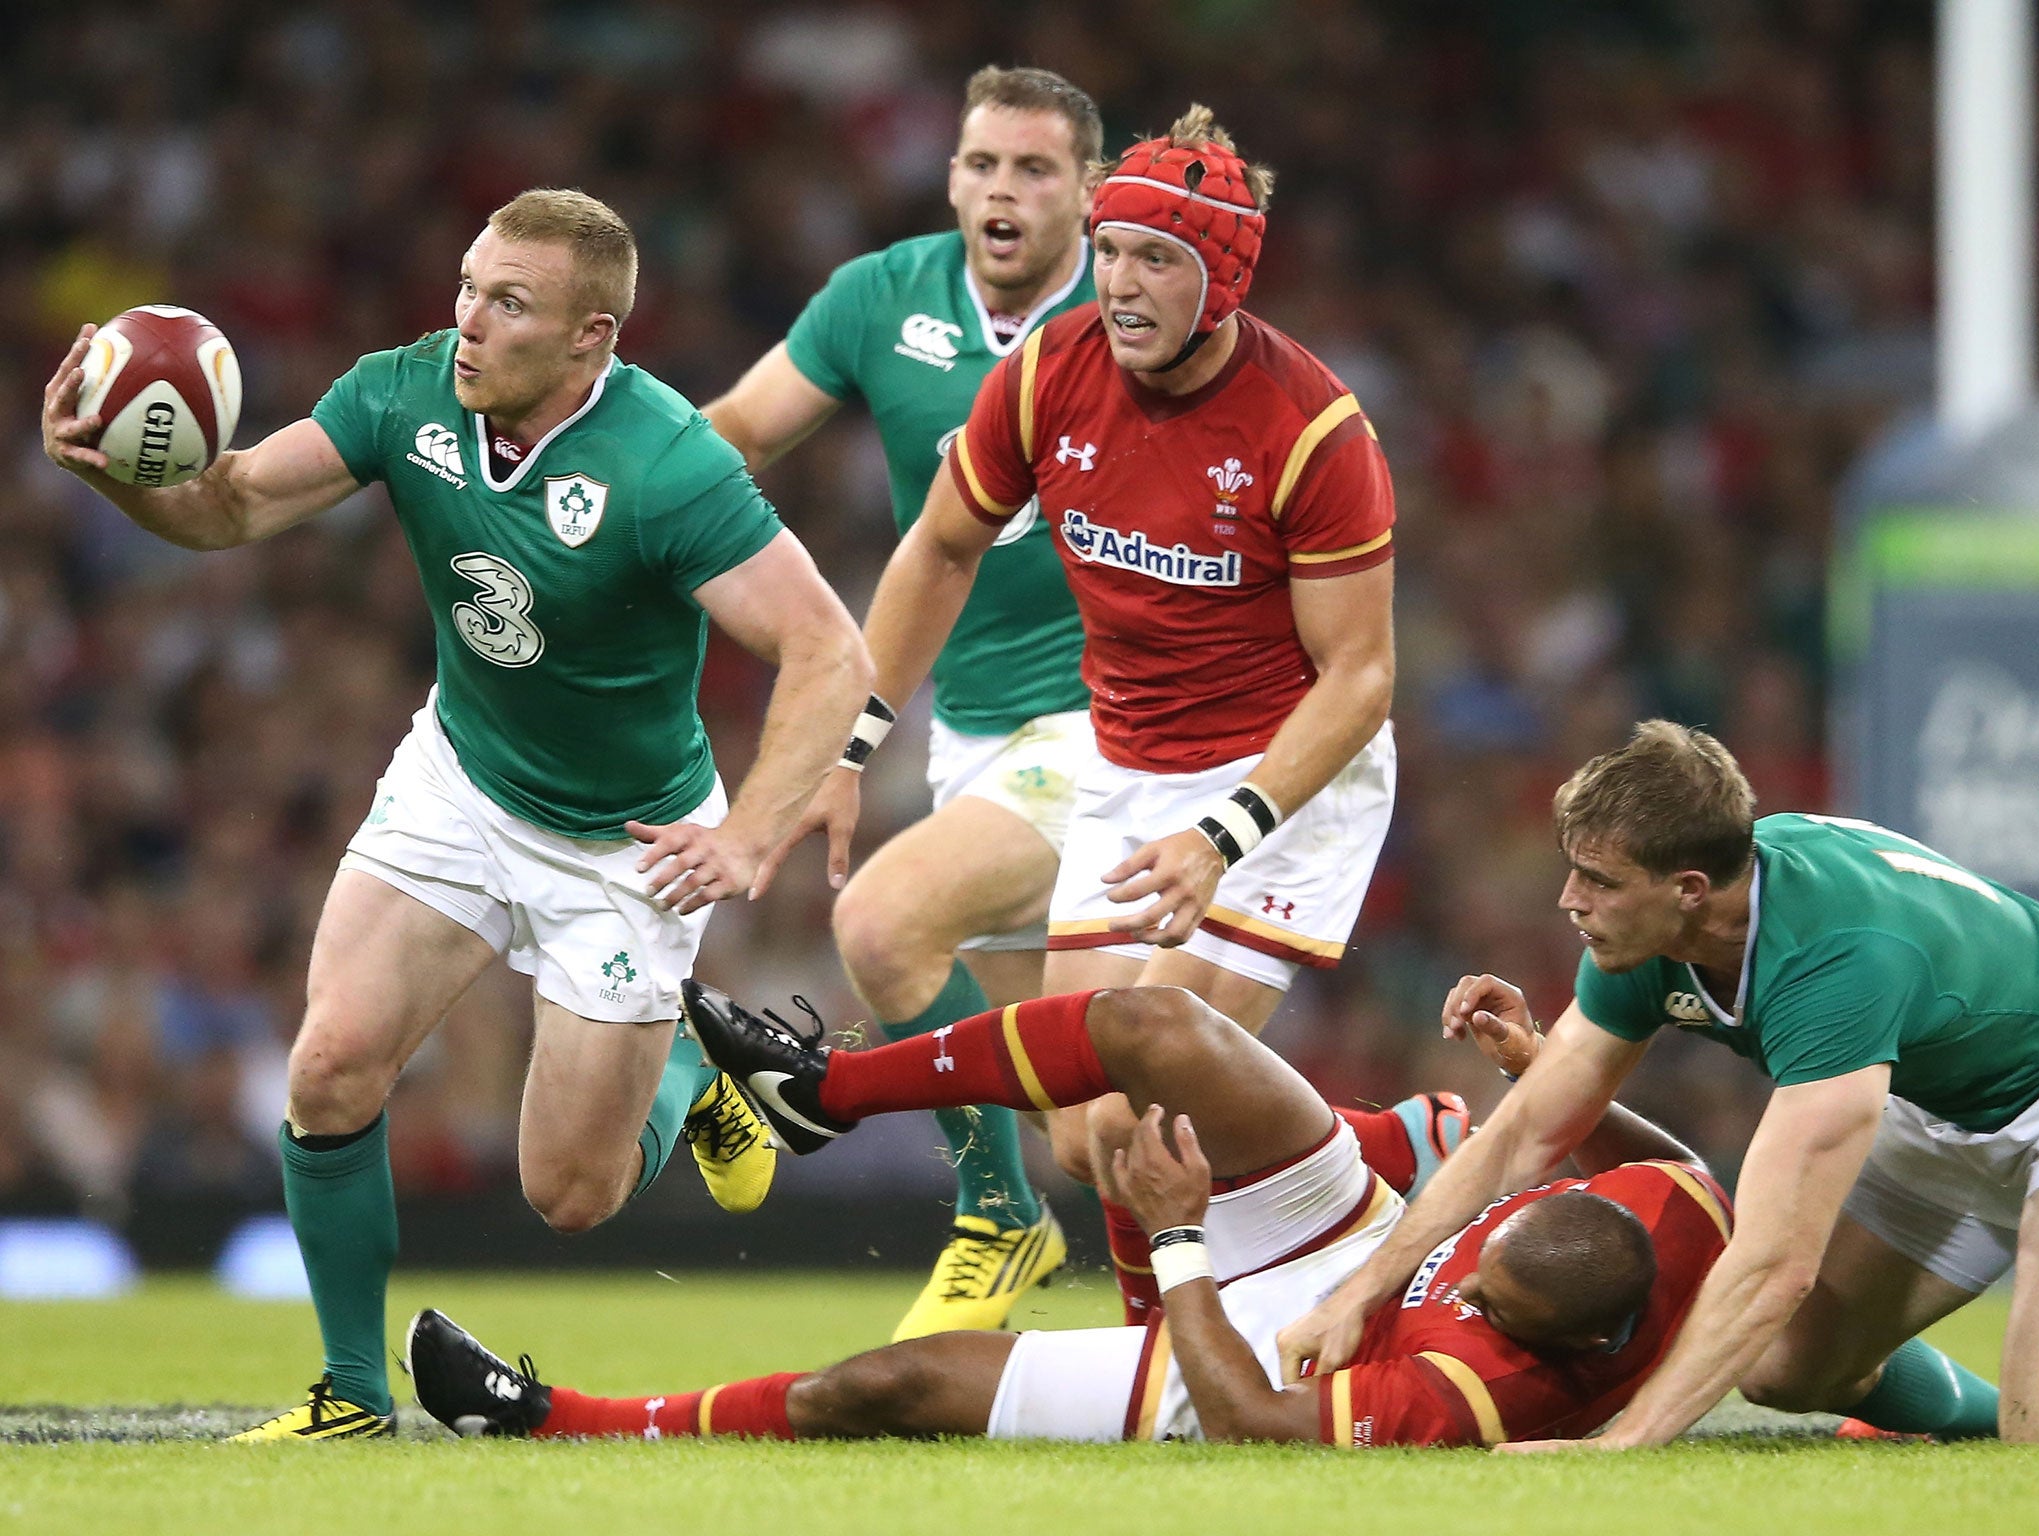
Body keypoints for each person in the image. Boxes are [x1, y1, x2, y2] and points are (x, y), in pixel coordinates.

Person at [39, 189, 872, 1440]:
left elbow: (827, 650)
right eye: (470, 285)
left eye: (509, 303)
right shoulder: (404, 391)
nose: (468, 321)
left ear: (593, 337)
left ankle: (694, 1071)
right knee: (326, 1068)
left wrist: (749, 834)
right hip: (463, 783)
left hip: (623, 845)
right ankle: (350, 1396)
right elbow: (233, 505)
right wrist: (111, 480)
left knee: (570, 1197)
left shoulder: (664, 465)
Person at [825, 102, 1424, 1321]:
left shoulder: (1311, 429)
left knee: (1136, 1092)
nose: (1122, 283)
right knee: (1082, 1134)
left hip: (1282, 779)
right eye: (1108, 249)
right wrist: (853, 738)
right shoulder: (1048, 372)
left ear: (1224, 279)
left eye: (1160, 259)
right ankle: (1399, 1152)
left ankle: (1188, 1339)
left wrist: (1225, 833)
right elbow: (940, 546)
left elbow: (1359, 677)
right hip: (1126, 762)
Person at [406, 981, 1727, 1448]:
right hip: (1368, 1230)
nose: (1474, 1274)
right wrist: (1539, 1078)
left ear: (1522, 1336)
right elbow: (1695, 1176)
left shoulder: (1463, 1399)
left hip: (1279, 1351)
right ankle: (826, 1091)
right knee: (1147, 1032)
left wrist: (1187, 1237)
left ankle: (547, 1417)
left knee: (881, 1385)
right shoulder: (1666, 1220)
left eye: (1482, 1291)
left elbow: (1258, 1421)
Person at [1281, 721, 2019, 1448]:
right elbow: (1520, 1136)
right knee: (1781, 1370)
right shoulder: (1658, 934)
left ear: (1689, 889)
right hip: (1937, 1104)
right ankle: (1985, 1418)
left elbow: (1774, 1262)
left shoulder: (1839, 966)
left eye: (1600, 881)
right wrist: (1356, 1297)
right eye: (1574, 870)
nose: (1570, 899)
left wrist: (1625, 1442)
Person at [703, 66, 1105, 1337]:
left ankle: (989, 1215)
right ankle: (1395, 1187)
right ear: (950, 179)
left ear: (1088, 195)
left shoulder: (1135, 303)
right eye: (983, 165)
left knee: (881, 931)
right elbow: (741, 430)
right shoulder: (879, 296)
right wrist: (601, 485)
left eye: (1034, 171)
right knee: (1085, 1117)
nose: (1003, 191)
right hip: (972, 729)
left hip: (1110, 727)